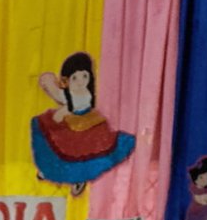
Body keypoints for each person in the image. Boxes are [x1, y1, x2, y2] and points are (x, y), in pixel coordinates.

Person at [30, 52, 135, 197]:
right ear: (68, 80)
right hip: (75, 121)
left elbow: (66, 104)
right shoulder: (73, 93)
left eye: (84, 76)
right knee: (50, 136)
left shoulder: (82, 95)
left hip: (83, 124)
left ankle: (74, 177)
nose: (81, 81)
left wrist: (50, 87)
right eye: (75, 78)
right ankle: (49, 169)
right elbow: (62, 97)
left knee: (77, 151)